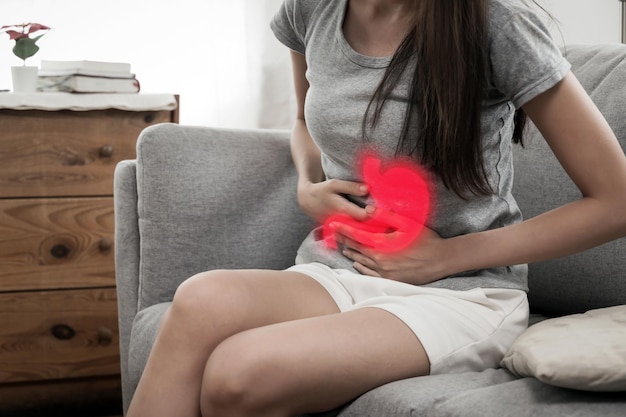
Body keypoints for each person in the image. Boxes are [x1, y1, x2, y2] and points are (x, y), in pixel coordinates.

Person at [126, 0, 626, 416]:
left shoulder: (496, 21)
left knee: (238, 373)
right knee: (200, 299)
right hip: (339, 271)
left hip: (460, 294)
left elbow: (615, 201)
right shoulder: (311, 9)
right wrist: (307, 184)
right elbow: (301, 119)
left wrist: (446, 257)